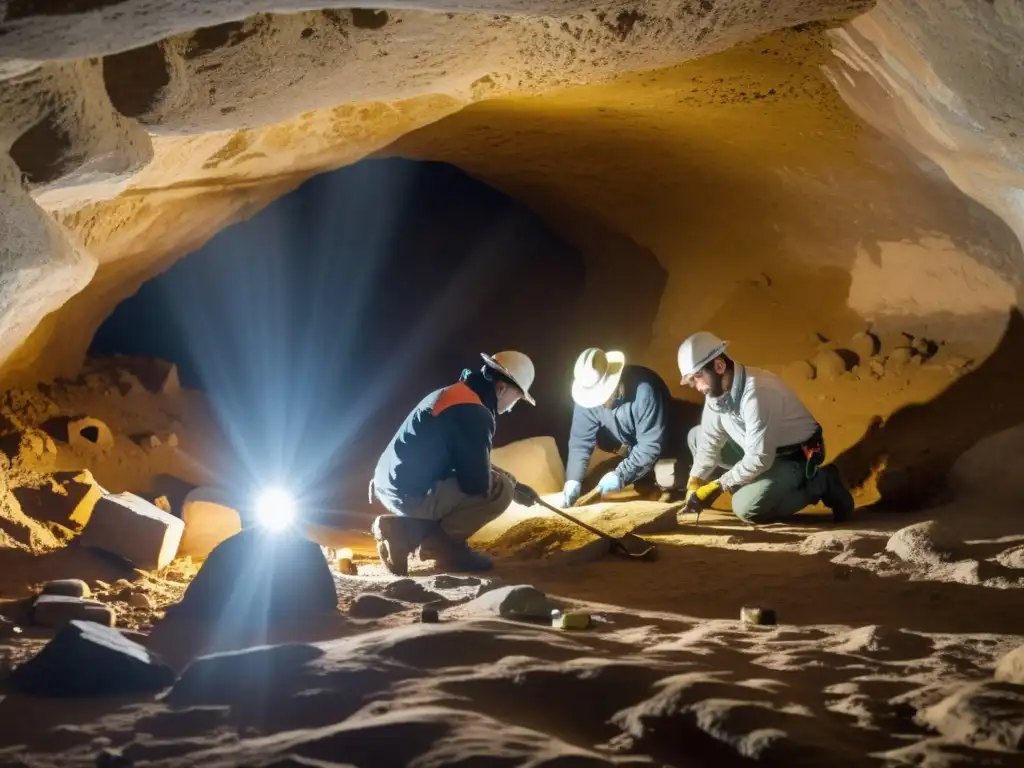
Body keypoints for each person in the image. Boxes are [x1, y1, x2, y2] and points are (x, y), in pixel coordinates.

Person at [369, 351, 536, 575]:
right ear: (501, 388)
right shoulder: (475, 414)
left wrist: (516, 483)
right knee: (499, 491)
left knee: (502, 483)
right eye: (517, 397)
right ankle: (440, 546)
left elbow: (470, 459)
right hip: (408, 492)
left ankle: (401, 530)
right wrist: (509, 487)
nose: (514, 405)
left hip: (390, 482)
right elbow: (475, 482)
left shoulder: (457, 395)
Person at [678, 331, 854, 525]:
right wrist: (695, 480)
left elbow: (760, 458)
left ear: (719, 366)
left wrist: (720, 484)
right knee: (697, 436)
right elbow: (709, 442)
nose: (697, 386)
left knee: (746, 509)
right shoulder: (715, 394)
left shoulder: (758, 393)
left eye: (697, 377)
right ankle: (744, 487)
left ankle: (820, 482)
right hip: (757, 448)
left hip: (794, 456)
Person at [562, 347, 689, 507]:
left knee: (667, 474)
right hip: (631, 448)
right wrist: (573, 479)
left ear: (614, 382)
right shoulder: (586, 396)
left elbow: (649, 446)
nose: (598, 403)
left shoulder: (645, 390)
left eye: (601, 397)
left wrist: (621, 474)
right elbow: (580, 442)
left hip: (666, 445)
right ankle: (645, 480)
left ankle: (672, 487)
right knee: (590, 482)